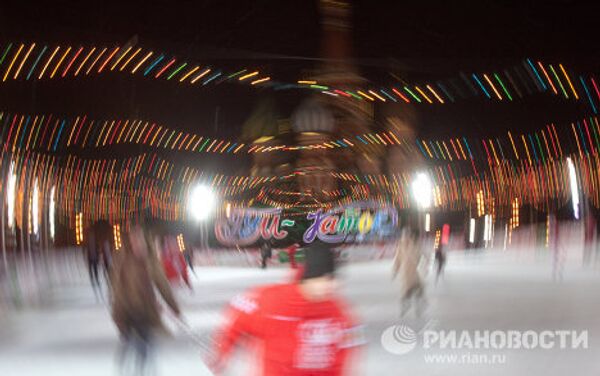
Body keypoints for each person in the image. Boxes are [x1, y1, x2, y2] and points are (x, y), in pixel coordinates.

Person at [210, 242, 362, 375]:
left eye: (333, 280)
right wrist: (223, 351)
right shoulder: (272, 300)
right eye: (325, 279)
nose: (331, 286)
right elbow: (237, 320)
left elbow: (343, 352)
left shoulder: (337, 311)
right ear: (309, 278)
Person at [110, 226, 181, 375]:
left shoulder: (151, 262)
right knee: (127, 344)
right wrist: (117, 313)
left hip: (146, 310)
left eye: (140, 241)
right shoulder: (123, 262)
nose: (138, 244)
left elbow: (163, 285)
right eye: (134, 241)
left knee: (146, 346)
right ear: (130, 242)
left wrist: (174, 307)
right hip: (127, 310)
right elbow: (116, 290)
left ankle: (143, 372)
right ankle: (123, 370)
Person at [392, 228, 426, 317]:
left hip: (414, 274)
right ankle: (405, 307)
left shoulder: (414, 245)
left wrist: (423, 266)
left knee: (419, 291)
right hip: (406, 275)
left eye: (407, 236)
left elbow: (421, 255)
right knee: (406, 293)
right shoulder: (401, 247)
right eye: (404, 236)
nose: (406, 238)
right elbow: (397, 260)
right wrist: (395, 271)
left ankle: (418, 308)